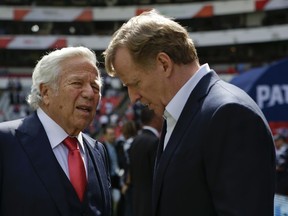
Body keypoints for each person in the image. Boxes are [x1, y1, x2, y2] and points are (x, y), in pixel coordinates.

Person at [103, 9, 276, 216]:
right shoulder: (179, 113)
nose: (133, 98)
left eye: (135, 83)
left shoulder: (229, 114)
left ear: (164, 64)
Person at [0, 46, 112, 216]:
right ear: (45, 92)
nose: (90, 93)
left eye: (95, 87)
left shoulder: (98, 151)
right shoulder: (5, 141)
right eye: (77, 83)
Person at [129, 107, 163, 216]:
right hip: (151, 201)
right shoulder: (155, 142)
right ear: (155, 118)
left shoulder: (135, 140)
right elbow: (157, 175)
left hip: (136, 199)